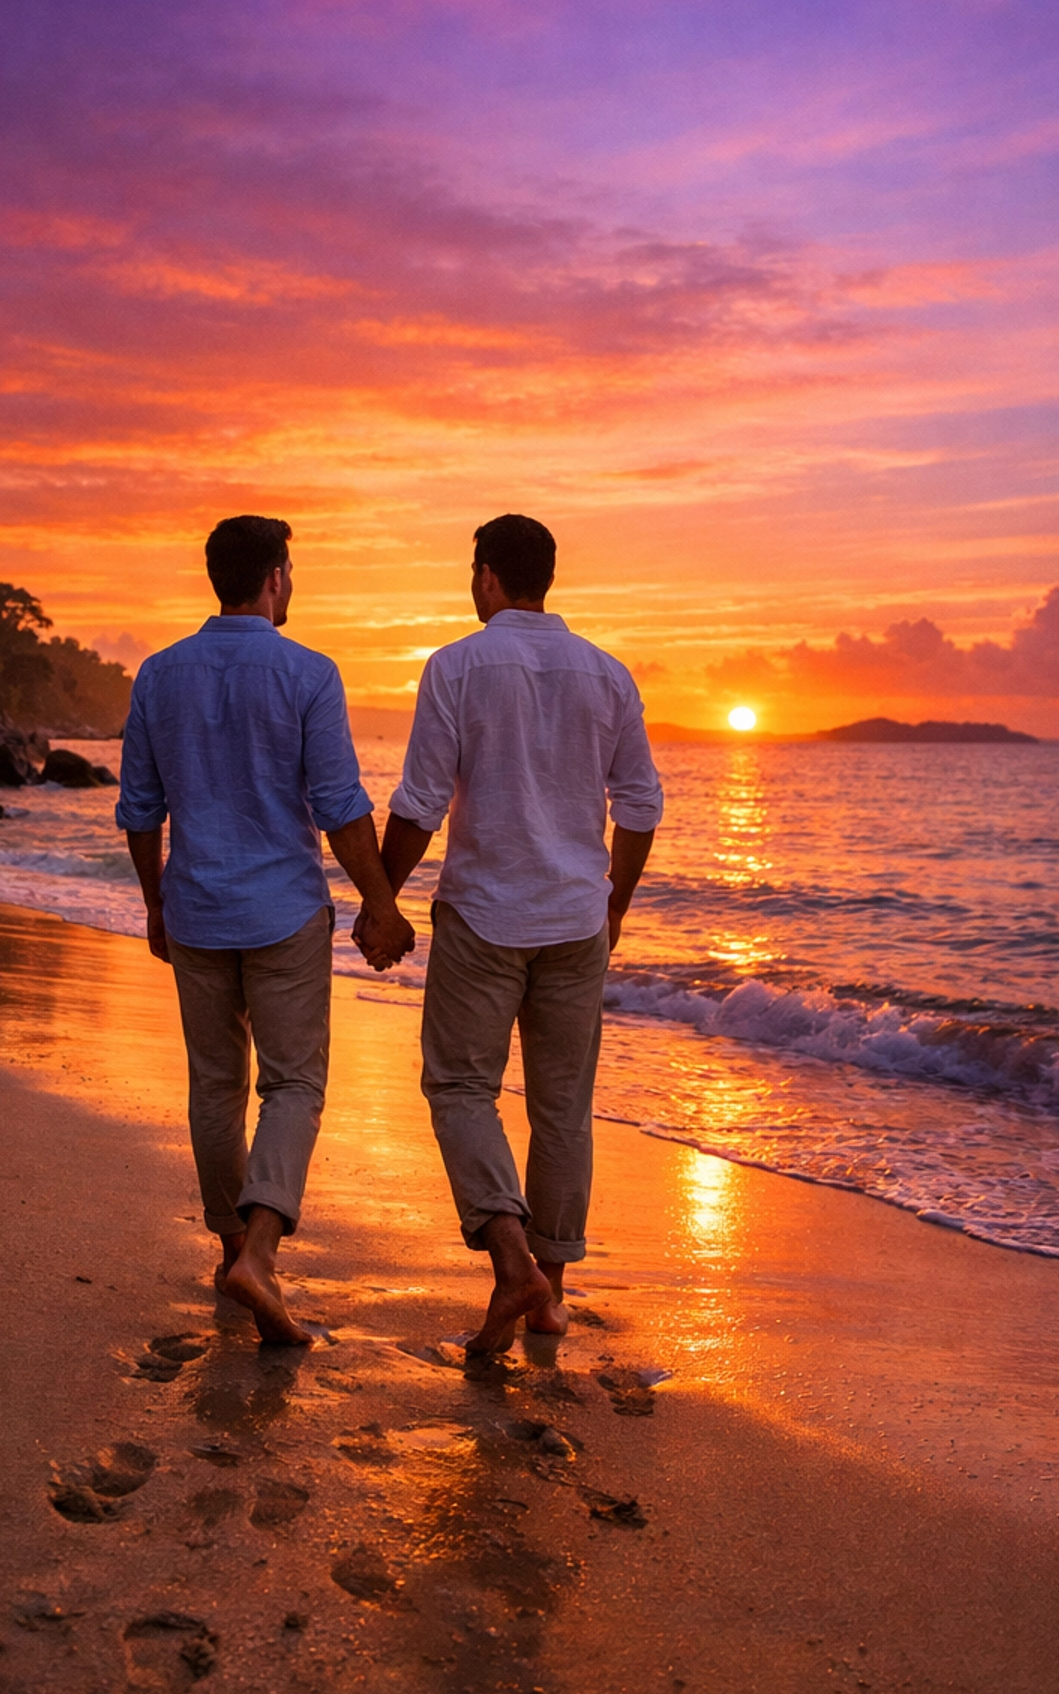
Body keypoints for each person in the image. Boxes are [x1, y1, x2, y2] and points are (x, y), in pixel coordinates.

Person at [370, 513, 663, 1353]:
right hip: (576, 921)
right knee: (562, 1108)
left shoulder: (456, 667)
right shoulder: (608, 676)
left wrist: (381, 898)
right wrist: (616, 903)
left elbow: (421, 802)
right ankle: (552, 1293)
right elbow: (641, 805)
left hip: (486, 918)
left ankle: (511, 1263)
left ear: (488, 576)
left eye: (474, 573)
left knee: (462, 1088)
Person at [118, 514, 414, 1345]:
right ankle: (260, 1252)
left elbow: (141, 811)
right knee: (293, 1085)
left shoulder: (158, 675)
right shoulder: (309, 673)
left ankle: (229, 1249)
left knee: (216, 1083)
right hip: (283, 913)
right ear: (276, 577)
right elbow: (341, 808)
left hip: (199, 910)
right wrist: (381, 902)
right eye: (294, 571)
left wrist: (154, 902)